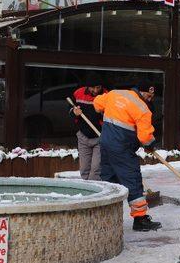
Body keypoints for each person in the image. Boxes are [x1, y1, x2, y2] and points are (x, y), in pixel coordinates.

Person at [93, 81, 162, 231]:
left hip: (105, 143)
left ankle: (107, 216)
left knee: (108, 179)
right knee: (132, 179)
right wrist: (150, 145)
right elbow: (145, 138)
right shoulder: (143, 109)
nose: (150, 99)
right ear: (143, 92)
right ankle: (140, 219)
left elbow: (97, 103)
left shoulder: (114, 93)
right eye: (149, 96)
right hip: (122, 148)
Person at [69, 75, 106, 181]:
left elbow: (111, 115)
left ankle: (95, 195)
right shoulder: (78, 93)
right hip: (83, 136)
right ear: (87, 86)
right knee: (84, 169)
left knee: (95, 170)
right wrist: (74, 112)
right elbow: (70, 109)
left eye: (98, 87)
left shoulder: (106, 95)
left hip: (100, 137)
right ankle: (87, 193)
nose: (95, 90)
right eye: (92, 87)